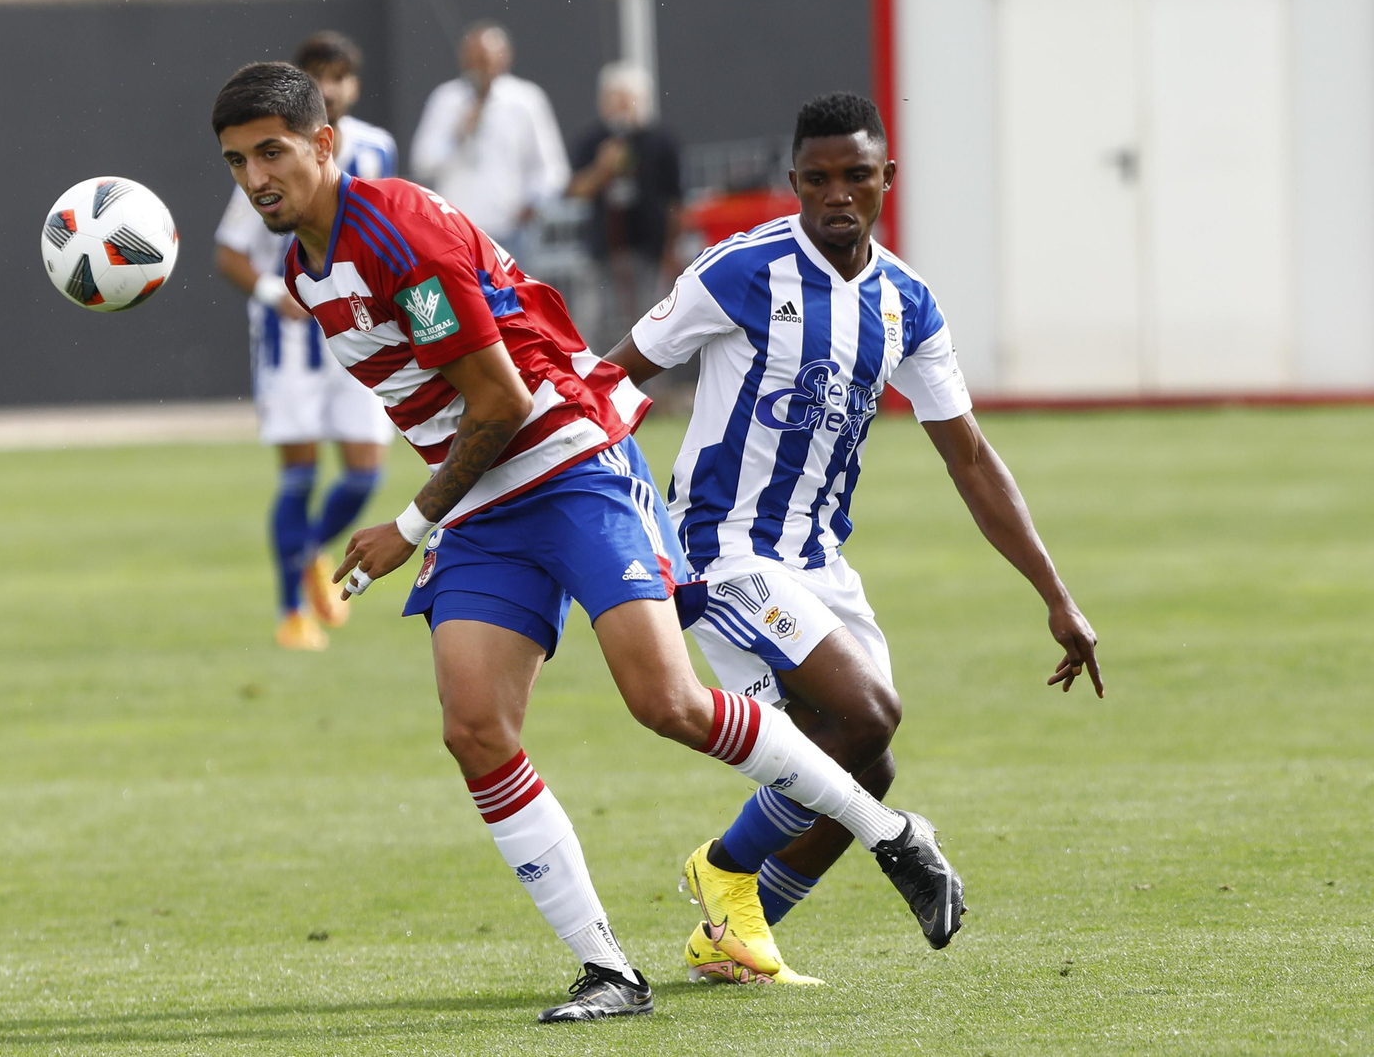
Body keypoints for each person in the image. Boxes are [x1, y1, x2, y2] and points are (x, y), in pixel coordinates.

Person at [212, 63, 965, 1022]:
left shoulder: (398, 228)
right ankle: (611, 969)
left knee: (669, 703)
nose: (257, 178)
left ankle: (890, 832)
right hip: (486, 501)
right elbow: (445, 411)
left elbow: (502, 400)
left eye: (273, 151)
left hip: (569, 461)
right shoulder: (302, 269)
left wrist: (408, 527)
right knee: (474, 727)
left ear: (325, 144)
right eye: (238, 162)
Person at [605, 91, 1104, 984]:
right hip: (721, 548)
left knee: (867, 763)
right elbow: (612, 380)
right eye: (818, 179)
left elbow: (973, 459)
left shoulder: (908, 303)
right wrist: (617, 509)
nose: (838, 195)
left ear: (887, 180)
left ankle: (735, 940)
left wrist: (1056, 594)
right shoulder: (740, 269)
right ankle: (723, 870)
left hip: (817, 561)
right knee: (866, 712)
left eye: (857, 177)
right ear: (794, 183)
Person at [213, 32, 397, 651]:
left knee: (365, 476)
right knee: (298, 477)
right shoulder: (270, 156)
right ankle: (291, 610)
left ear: (354, 85)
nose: (333, 87)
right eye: (320, 75)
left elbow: (384, 230)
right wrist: (275, 296)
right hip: (291, 346)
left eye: (341, 76)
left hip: (360, 337)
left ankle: (311, 554)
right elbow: (230, 250)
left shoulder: (376, 149)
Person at [409, 21, 569, 257]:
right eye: (473, 60)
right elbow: (422, 162)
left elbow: (552, 168)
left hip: (512, 234)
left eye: (486, 60)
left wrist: (532, 205)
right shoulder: (447, 100)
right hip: (457, 234)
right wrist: (458, 135)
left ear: (504, 59)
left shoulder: (526, 100)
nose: (480, 68)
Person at [567, 62, 683, 356]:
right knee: (595, 320)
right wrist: (602, 168)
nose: (618, 107)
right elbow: (574, 190)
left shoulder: (660, 140)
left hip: (648, 247)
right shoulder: (591, 140)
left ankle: (650, 391)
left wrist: (672, 249)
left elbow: (676, 199)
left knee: (650, 321)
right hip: (602, 248)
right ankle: (595, 384)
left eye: (625, 98)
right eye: (612, 98)